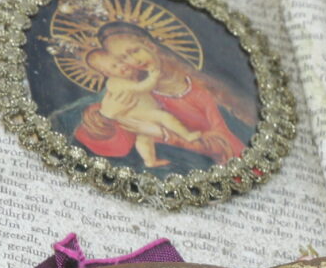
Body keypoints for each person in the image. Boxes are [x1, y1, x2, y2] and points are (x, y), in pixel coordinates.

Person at [71, 23, 252, 169]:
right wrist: (106, 117)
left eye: (134, 51)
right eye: (122, 59)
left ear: (150, 46)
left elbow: (226, 143)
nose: (133, 61)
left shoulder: (200, 90)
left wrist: (165, 135)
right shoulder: (127, 93)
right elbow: (114, 146)